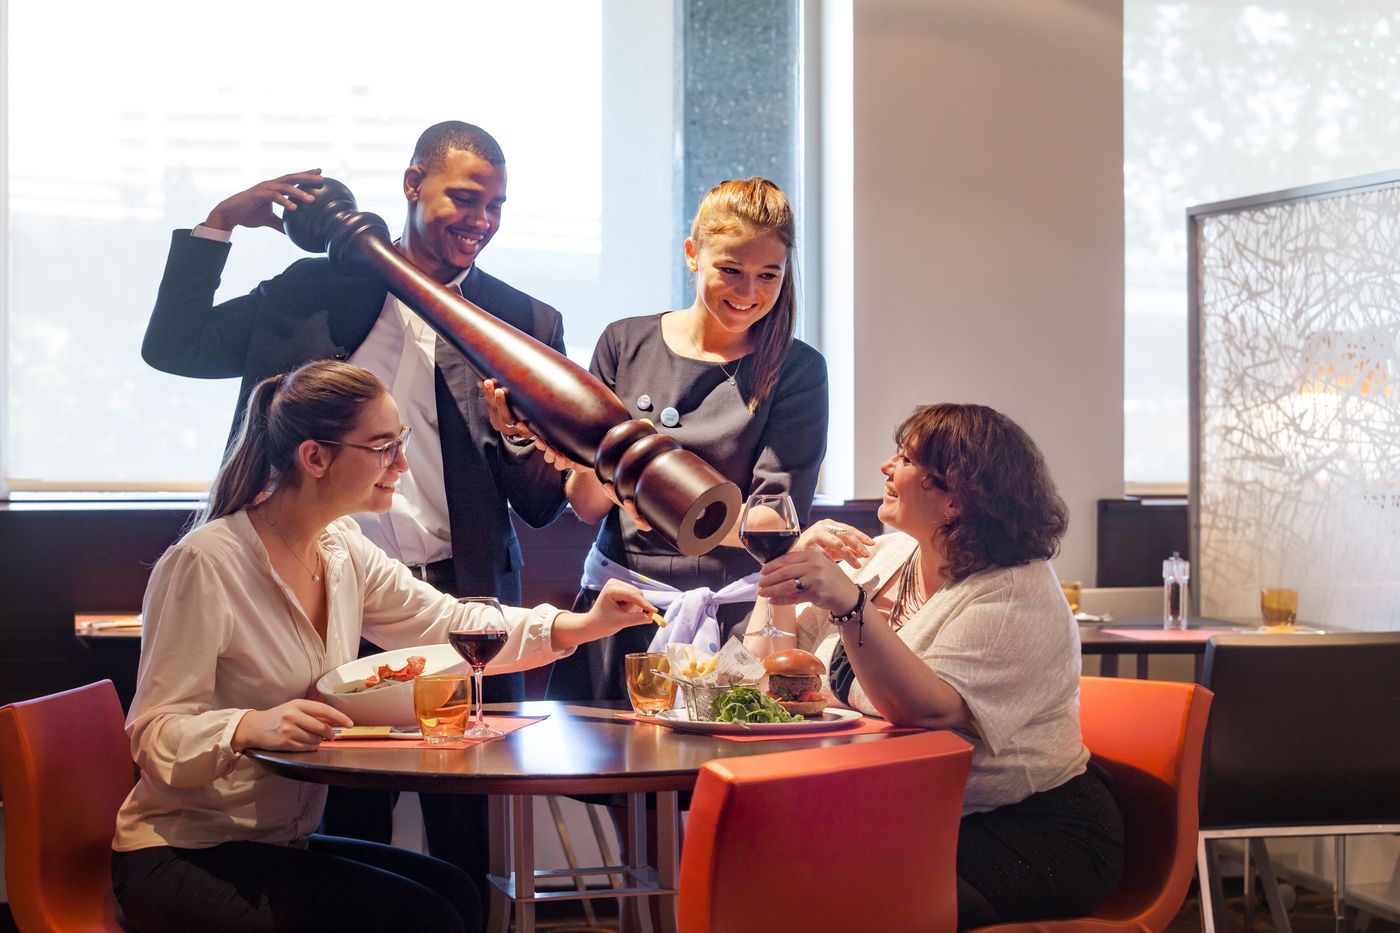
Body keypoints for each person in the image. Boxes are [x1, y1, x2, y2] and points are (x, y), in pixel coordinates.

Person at [141, 122, 564, 890]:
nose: (482, 220)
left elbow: (538, 505)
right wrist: (220, 222)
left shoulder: (524, 322)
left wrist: (522, 444)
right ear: (411, 184)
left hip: (456, 593)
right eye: (464, 197)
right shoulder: (309, 292)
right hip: (325, 590)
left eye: (496, 205)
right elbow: (176, 345)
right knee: (339, 813)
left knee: (467, 829)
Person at [111, 361, 656, 933]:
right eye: (382, 447)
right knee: (421, 917)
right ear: (315, 457)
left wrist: (583, 625)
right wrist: (246, 726)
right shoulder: (205, 563)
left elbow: (446, 620)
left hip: (281, 842)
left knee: (455, 892)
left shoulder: (339, 546)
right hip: (181, 852)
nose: (401, 464)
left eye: (402, 443)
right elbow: (155, 733)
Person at [756, 403, 1125, 929]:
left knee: (856, 905)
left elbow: (923, 712)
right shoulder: (886, 556)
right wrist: (786, 578)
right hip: (917, 815)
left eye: (905, 458)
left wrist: (847, 607)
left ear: (954, 497)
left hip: (1031, 828)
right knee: (781, 875)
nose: (886, 466)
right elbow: (774, 676)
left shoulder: (1014, 594)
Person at [515, 177, 829, 701]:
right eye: (730, 270)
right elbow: (587, 504)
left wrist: (644, 492)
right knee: (603, 773)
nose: (748, 294)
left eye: (767, 276)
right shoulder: (625, 342)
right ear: (693, 254)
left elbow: (774, 520)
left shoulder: (797, 370)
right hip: (619, 610)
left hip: (733, 621)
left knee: (712, 779)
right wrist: (565, 444)